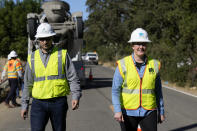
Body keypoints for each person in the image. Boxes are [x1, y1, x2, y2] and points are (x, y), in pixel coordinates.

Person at [21, 22, 81, 131]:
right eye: (42, 39)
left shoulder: (62, 54)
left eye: (48, 38)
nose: (45, 42)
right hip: (38, 104)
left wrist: (75, 95)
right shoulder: (32, 58)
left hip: (58, 103)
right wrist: (24, 104)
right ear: (38, 40)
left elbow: (72, 78)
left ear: (52, 38)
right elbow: (28, 83)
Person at [112, 28, 165, 131]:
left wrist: (161, 111)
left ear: (147, 45)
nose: (141, 47)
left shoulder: (154, 64)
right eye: (138, 44)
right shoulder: (123, 64)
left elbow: (158, 91)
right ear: (132, 45)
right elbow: (115, 90)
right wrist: (117, 110)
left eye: (143, 44)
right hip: (127, 111)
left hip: (149, 111)